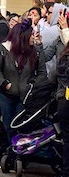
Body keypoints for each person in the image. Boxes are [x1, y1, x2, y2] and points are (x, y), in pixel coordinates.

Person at [0, 20, 46, 141]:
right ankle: (10, 151)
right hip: (7, 94)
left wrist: (31, 86)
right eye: (31, 35)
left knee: (19, 125)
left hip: (25, 96)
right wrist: (4, 83)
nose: (33, 37)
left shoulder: (36, 51)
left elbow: (42, 73)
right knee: (7, 124)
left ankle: (17, 153)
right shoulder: (5, 49)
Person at [54, 16, 69, 176]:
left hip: (64, 101)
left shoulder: (63, 57)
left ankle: (66, 171)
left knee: (67, 139)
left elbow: (52, 76)